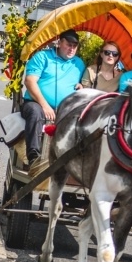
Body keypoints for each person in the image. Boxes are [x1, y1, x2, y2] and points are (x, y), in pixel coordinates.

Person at [21, 29, 85, 174]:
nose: (71, 49)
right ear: (59, 42)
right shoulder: (43, 57)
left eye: (75, 46)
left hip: (66, 108)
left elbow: (83, 84)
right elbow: (30, 81)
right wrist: (45, 105)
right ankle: (33, 156)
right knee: (36, 112)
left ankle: (72, 162)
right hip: (36, 103)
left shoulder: (79, 64)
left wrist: (82, 86)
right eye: (68, 44)